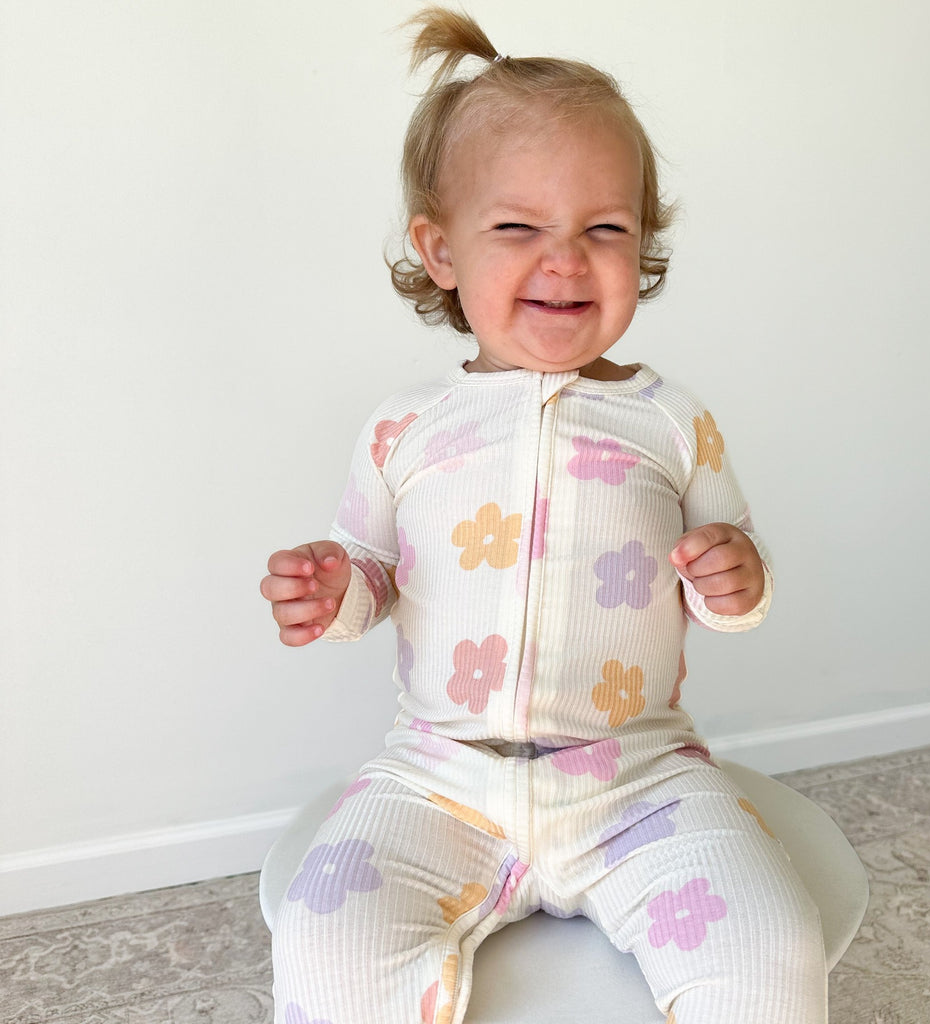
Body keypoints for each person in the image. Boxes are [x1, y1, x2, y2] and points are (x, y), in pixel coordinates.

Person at [260, 7, 827, 1023]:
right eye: (519, 228)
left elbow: (733, 580)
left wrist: (736, 574)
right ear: (440, 249)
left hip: (639, 779)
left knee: (772, 949)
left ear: (643, 247)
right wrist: (337, 587)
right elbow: (372, 568)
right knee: (322, 934)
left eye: (604, 229)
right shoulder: (405, 427)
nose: (565, 259)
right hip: (436, 777)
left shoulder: (669, 419)